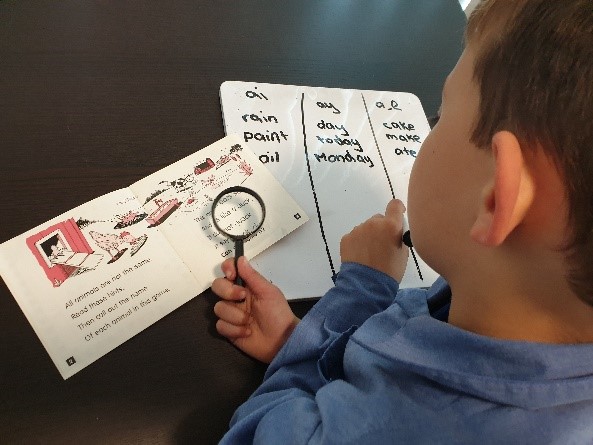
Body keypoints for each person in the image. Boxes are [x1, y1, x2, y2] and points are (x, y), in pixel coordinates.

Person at [211, 0, 593, 442]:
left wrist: (359, 289)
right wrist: (303, 341)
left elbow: (258, 429)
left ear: (494, 200)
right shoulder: (507, 299)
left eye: (440, 115)